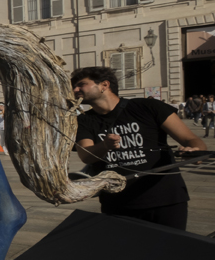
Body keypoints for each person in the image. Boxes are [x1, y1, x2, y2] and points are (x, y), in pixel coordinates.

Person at [72, 66, 207, 230]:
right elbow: (86, 156)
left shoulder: (148, 107)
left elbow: (191, 139)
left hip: (165, 199)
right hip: (118, 204)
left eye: (81, 84)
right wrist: (105, 146)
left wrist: (194, 152)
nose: (75, 89)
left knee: (170, 253)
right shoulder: (83, 121)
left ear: (104, 85)